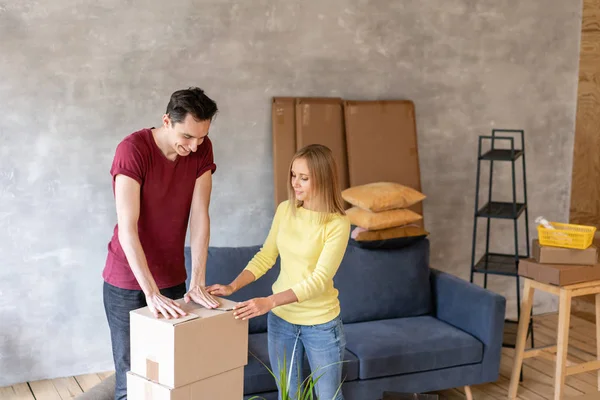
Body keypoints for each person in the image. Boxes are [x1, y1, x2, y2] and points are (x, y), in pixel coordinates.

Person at [102, 87, 221, 400]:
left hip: (172, 278)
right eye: (187, 137)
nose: (195, 147)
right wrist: (150, 292)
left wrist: (197, 282)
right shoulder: (132, 150)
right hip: (128, 282)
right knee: (134, 380)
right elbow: (128, 228)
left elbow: (200, 218)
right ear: (167, 120)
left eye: (202, 137)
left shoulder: (201, 148)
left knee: (174, 376)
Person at [208, 144, 350, 400]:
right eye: (293, 175)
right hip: (281, 321)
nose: (295, 183)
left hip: (320, 324)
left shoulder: (337, 223)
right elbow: (266, 256)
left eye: (304, 178)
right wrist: (232, 287)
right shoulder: (286, 210)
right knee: (289, 395)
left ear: (324, 178)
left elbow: (318, 280)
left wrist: (269, 301)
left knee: (329, 397)